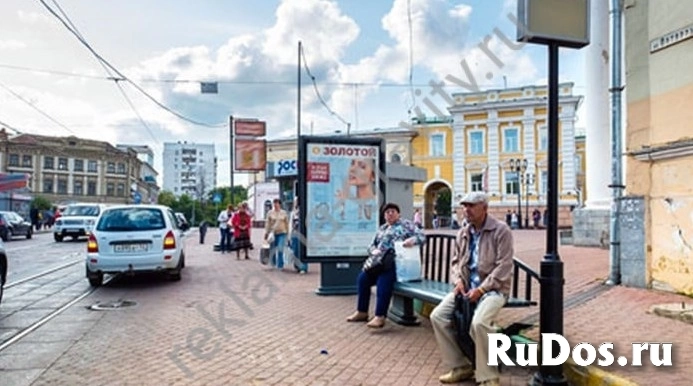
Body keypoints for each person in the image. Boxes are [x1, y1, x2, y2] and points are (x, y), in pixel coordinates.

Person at [430, 192, 514, 386]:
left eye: (471, 206)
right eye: (464, 206)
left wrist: (482, 290)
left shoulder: (500, 230)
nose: (466, 210)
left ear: (484, 208)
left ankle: (488, 376)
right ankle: (460, 366)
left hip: (494, 289)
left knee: (480, 323)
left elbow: (504, 266)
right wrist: (458, 280)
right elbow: (455, 262)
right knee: (438, 316)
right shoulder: (464, 232)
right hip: (467, 289)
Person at [345, 202, 425, 328]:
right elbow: (371, 245)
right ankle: (362, 311)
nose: (390, 214)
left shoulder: (406, 225)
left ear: (398, 213)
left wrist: (412, 240)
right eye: (387, 212)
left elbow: (422, 236)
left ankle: (380, 316)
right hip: (378, 262)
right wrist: (373, 251)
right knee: (363, 279)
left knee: (383, 281)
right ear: (384, 215)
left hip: (396, 262)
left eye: (393, 211)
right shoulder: (382, 229)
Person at [264, 199, 289, 269]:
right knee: (273, 248)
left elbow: (287, 223)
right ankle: (273, 263)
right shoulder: (270, 213)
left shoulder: (284, 213)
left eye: (277, 203)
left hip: (282, 233)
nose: (275, 205)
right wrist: (266, 232)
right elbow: (267, 223)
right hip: (273, 233)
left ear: (280, 204)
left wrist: (288, 233)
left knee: (280, 248)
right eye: (274, 203)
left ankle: (280, 264)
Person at [289, 198, 308, 274]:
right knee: (295, 250)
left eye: (297, 202)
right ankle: (297, 265)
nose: (296, 203)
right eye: (295, 202)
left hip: (303, 234)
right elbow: (291, 224)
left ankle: (303, 267)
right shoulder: (293, 213)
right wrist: (289, 235)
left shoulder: (305, 211)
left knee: (303, 250)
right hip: (295, 233)